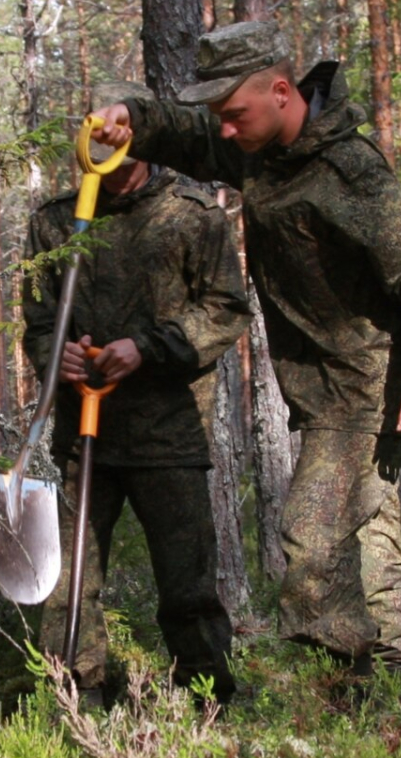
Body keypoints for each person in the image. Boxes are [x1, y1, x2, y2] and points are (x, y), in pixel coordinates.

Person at [86, 23, 401, 701]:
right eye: (220, 117)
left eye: (234, 113)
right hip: (323, 391)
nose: (226, 131)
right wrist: (132, 120)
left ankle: (344, 693)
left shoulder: (348, 171)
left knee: (313, 544)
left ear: (283, 92)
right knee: (368, 543)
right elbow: (192, 138)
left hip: (366, 385)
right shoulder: (262, 153)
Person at [22, 88, 251, 707]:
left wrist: (147, 348)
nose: (105, 142)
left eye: (119, 130)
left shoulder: (191, 214)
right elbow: (40, 322)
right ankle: (77, 695)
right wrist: (57, 358)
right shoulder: (53, 223)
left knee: (187, 582)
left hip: (168, 433)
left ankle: (208, 698)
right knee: (68, 580)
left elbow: (227, 309)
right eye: (94, 130)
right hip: (81, 436)